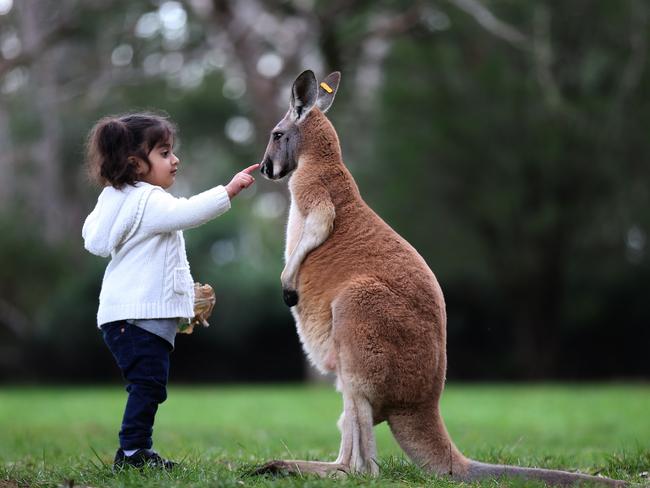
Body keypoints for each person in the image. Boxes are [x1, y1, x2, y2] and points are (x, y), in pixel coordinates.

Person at [82, 112, 258, 470]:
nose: (174, 160)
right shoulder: (148, 200)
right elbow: (187, 212)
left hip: (125, 317)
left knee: (147, 386)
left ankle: (137, 450)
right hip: (136, 318)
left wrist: (178, 298)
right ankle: (132, 453)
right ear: (136, 164)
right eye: (164, 153)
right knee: (147, 386)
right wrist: (229, 190)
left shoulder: (118, 199)